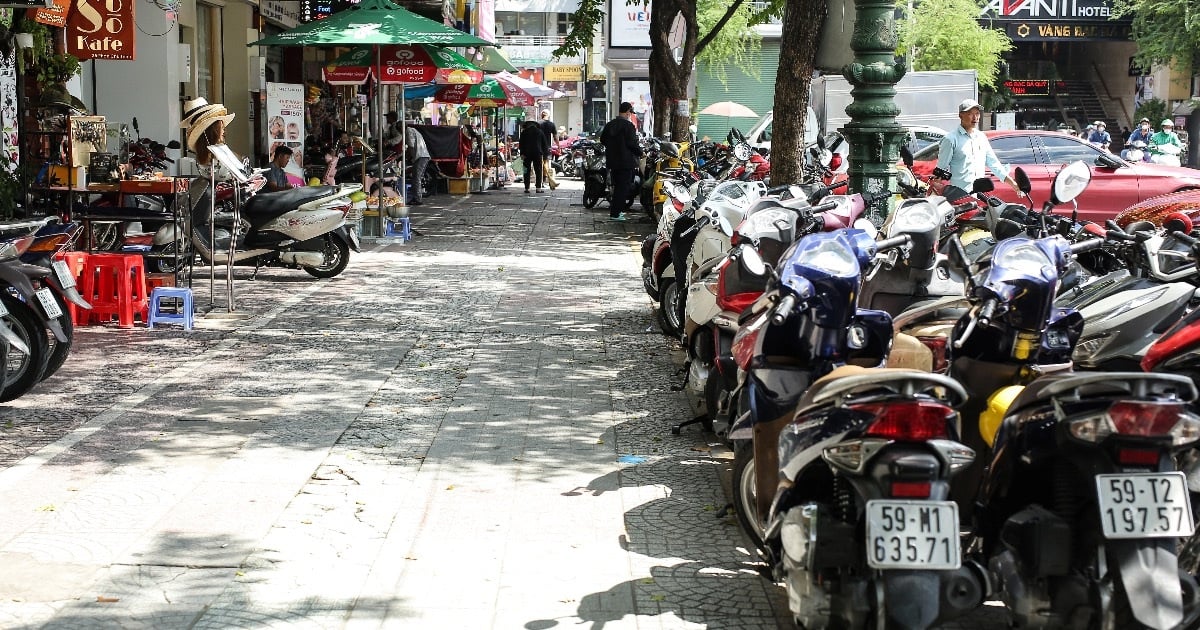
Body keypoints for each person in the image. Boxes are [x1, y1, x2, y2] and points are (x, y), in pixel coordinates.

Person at [935, 99, 1024, 197]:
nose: (975, 117)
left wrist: (1013, 183)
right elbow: (940, 170)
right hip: (959, 197)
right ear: (960, 115)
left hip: (979, 196)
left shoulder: (981, 138)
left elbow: (994, 164)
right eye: (970, 114)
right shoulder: (950, 139)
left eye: (977, 113)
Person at [599, 101, 643, 222]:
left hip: (613, 161)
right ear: (628, 112)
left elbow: (602, 139)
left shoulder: (610, 125)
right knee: (622, 188)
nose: (631, 115)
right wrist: (641, 152)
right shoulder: (629, 126)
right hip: (626, 161)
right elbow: (632, 143)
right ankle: (616, 213)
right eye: (630, 112)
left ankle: (615, 211)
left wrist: (612, 147)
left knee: (617, 187)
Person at [405, 117, 431, 205]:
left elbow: (411, 147)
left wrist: (408, 158)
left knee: (416, 178)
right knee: (417, 177)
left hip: (421, 156)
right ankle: (416, 197)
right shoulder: (413, 130)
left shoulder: (408, 131)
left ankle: (417, 199)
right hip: (423, 156)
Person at [518, 120, 548, 193]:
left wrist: (521, 154)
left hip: (526, 153)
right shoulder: (540, 132)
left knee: (526, 170)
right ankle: (538, 188)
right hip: (537, 153)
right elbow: (545, 145)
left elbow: (521, 144)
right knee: (538, 170)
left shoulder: (524, 132)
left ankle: (527, 188)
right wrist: (545, 156)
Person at [538, 110, 559, 191]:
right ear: (548, 115)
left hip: (538, 146)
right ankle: (545, 181)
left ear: (541, 115)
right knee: (546, 164)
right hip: (547, 147)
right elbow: (555, 136)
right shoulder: (551, 124)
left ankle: (541, 182)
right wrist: (558, 146)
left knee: (539, 165)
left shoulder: (538, 124)